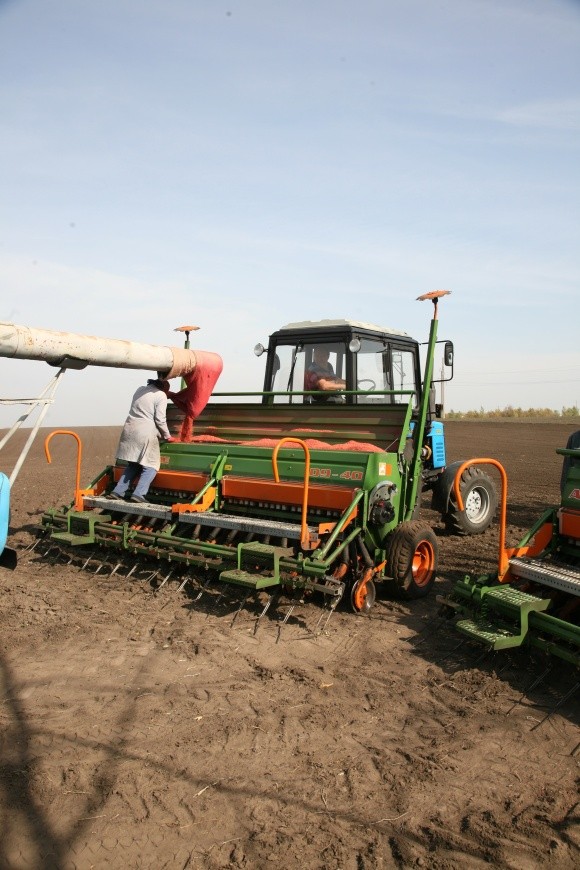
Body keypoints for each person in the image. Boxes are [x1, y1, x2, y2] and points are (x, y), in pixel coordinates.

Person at [108, 378, 175, 503]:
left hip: (129, 429)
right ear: (164, 388)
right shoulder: (160, 395)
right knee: (151, 465)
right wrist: (167, 436)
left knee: (134, 463)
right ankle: (139, 494)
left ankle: (117, 491)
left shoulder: (140, 390)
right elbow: (160, 419)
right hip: (144, 432)